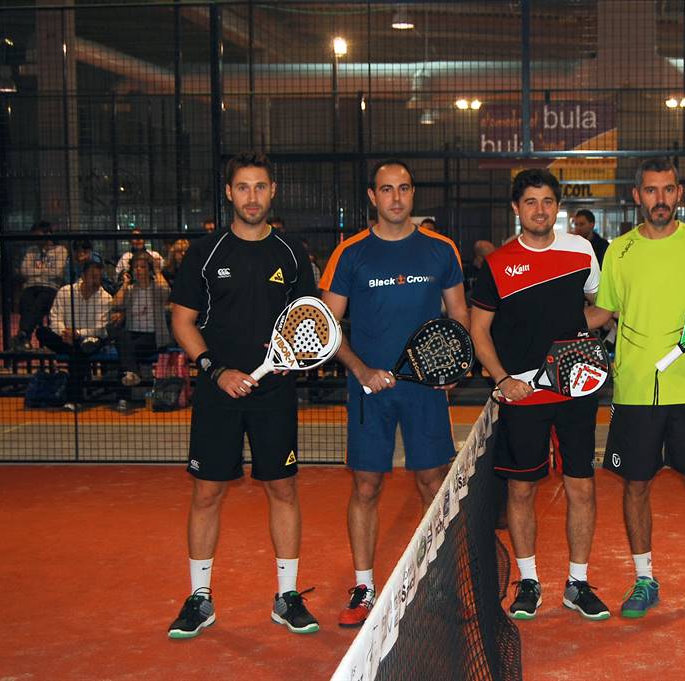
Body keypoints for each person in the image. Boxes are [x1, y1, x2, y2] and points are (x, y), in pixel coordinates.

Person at [166, 152, 320, 639]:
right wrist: (215, 371)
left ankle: (287, 597)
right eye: (243, 187)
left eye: (260, 187)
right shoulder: (205, 253)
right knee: (207, 492)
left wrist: (293, 357)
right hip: (219, 394)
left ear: (273, 192)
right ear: (229, 193)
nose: (252, 197)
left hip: (275, 392)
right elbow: (183, 321)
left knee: (283, 488)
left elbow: (309, 317)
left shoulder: (292, 253)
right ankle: (200, 599)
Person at [319, 159, 468, 628]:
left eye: (403, 188)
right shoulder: (350, 253)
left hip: (425, 389)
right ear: (372, 196)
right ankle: (364, 586)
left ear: (412, 193)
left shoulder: (441, 249)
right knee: (366, 485)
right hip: (369, 390)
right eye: (386, 189)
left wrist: (453, 363)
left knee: (432, 483)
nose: (396, 198)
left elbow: (459, 313)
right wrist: (362, 369)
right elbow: (326, 325)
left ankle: (438, 579)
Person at [586, 157, 685, 621]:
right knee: (636, 485)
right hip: (634, 391)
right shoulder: (619, 251)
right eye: (651, 191)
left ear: (679, 194)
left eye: (668, 190)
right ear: (637, 196)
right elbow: (603, 312)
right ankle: (644, 580)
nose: (660, 199)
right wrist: (543, 325)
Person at [470, 169, 609, 621]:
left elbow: (601, 306)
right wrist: (502, 379)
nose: (540, 210)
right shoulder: (497, 264)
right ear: (516, 208)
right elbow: (479, 330)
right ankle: (528, 581)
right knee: (522, 489)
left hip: (575, 392)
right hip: (523, 396)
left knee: (581, 486)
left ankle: (577, 583)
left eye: (548, 201)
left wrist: (576, 339)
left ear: (558, 207)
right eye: (530, 201)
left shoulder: (581, 250)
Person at [35, 254, 115, 411]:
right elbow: (55, 317)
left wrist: (78, 334)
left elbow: (101, 328)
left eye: (99, 277)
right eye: (92, 276)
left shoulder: (106, 298)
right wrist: (64, 333)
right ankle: (74, 397)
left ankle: (74, 398)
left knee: (81, 349)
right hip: (65, 338)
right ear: (83, 275)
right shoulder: (65, 292)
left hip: (90, 340)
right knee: (42, 332)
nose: (96, 280)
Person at [113, 251, 172, 389]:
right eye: (136, 267)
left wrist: (157, 271)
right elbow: (116, 304)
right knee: (122, 337)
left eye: (143, 267)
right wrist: (125, 284)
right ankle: (132, 374)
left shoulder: (156, 287)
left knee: (124, 352)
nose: (138, 270)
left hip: (153, 337)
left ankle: (130, 378)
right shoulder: (130, 289)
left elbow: (165, 291)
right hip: (132, 335)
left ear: (149, 269)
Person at [13, 221, 68, 350]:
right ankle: (25, 335)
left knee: (41, 300)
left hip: (50, 287)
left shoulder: (60, 250)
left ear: (48, 234)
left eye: (38, 236)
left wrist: (36, 272)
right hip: (31, 286)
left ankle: (24, 334)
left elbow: (57, 272)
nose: (36, 240)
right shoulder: (31, 251)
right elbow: (24, 271)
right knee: (26, 300)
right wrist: (44, 272)